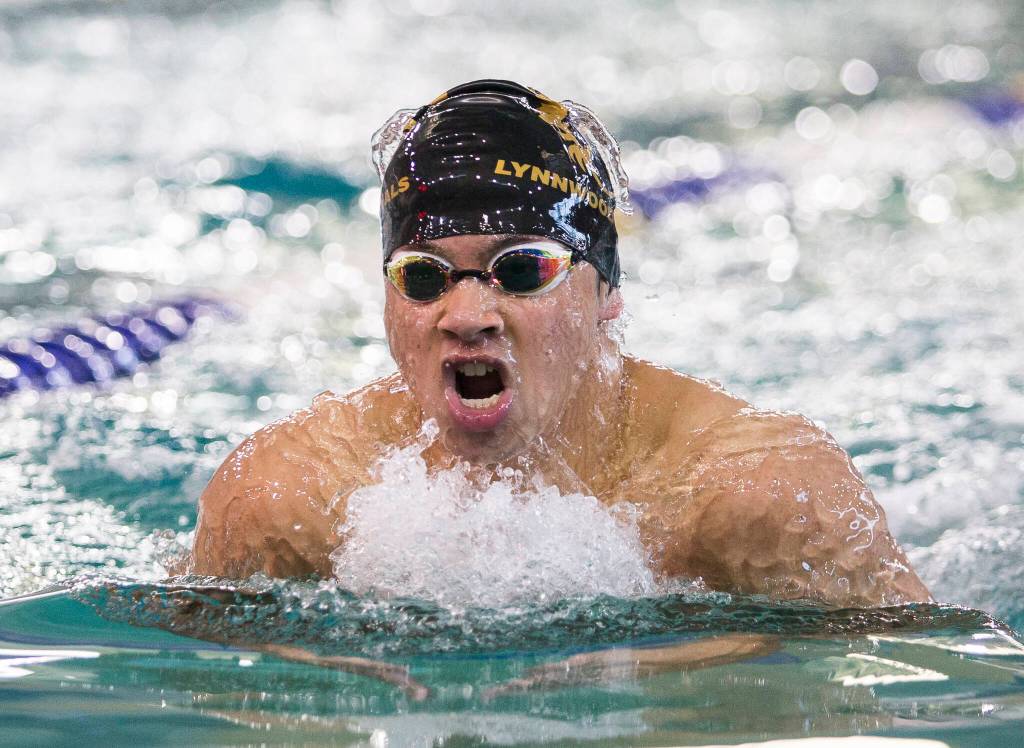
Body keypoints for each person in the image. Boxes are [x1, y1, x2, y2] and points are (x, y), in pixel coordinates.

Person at [186, 79, 931, 608]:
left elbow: (920, 692)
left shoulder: (757, 500)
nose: (467, 312)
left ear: (607, 291)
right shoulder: (288, 505)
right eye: (424, 275)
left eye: (523, 269)